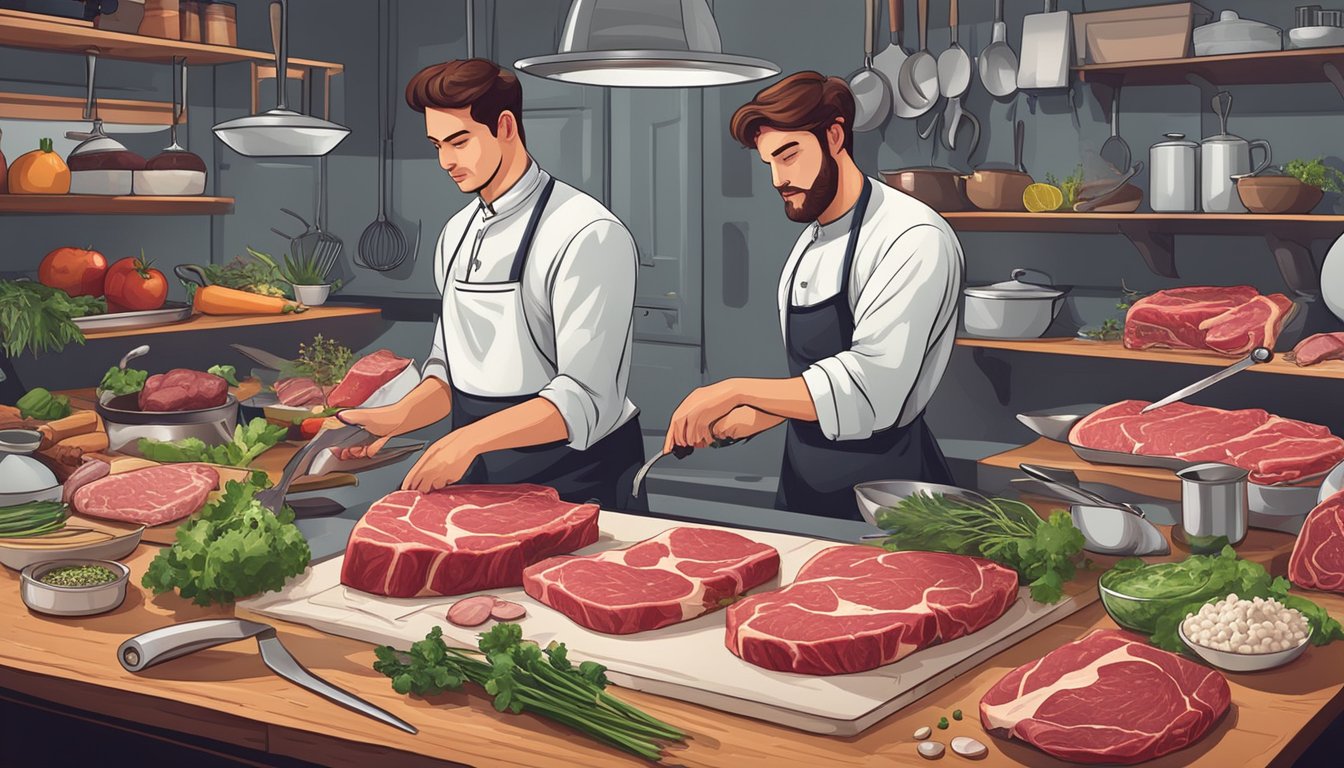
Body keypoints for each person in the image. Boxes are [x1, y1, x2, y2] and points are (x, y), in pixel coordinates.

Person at [340, 59, 646, 511]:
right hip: (482, 465)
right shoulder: (456, 233)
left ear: (505, 126)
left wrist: (466, 443)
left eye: (459, 141)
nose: (446, 161)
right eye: (437, 144)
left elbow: (586, 396)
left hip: (578, 474)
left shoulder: (587, 232)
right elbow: (449, 370)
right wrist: (392, 419)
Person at [663, 71, 964, 520]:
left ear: (835, 136)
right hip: (802, 487)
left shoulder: (912, 236)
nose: (777, 180)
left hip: (890, 495)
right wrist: (761, 413)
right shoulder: (808, 242)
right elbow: (823, 382)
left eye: (789, 156)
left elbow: (873, 389)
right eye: (769, 164)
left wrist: (731, 391)